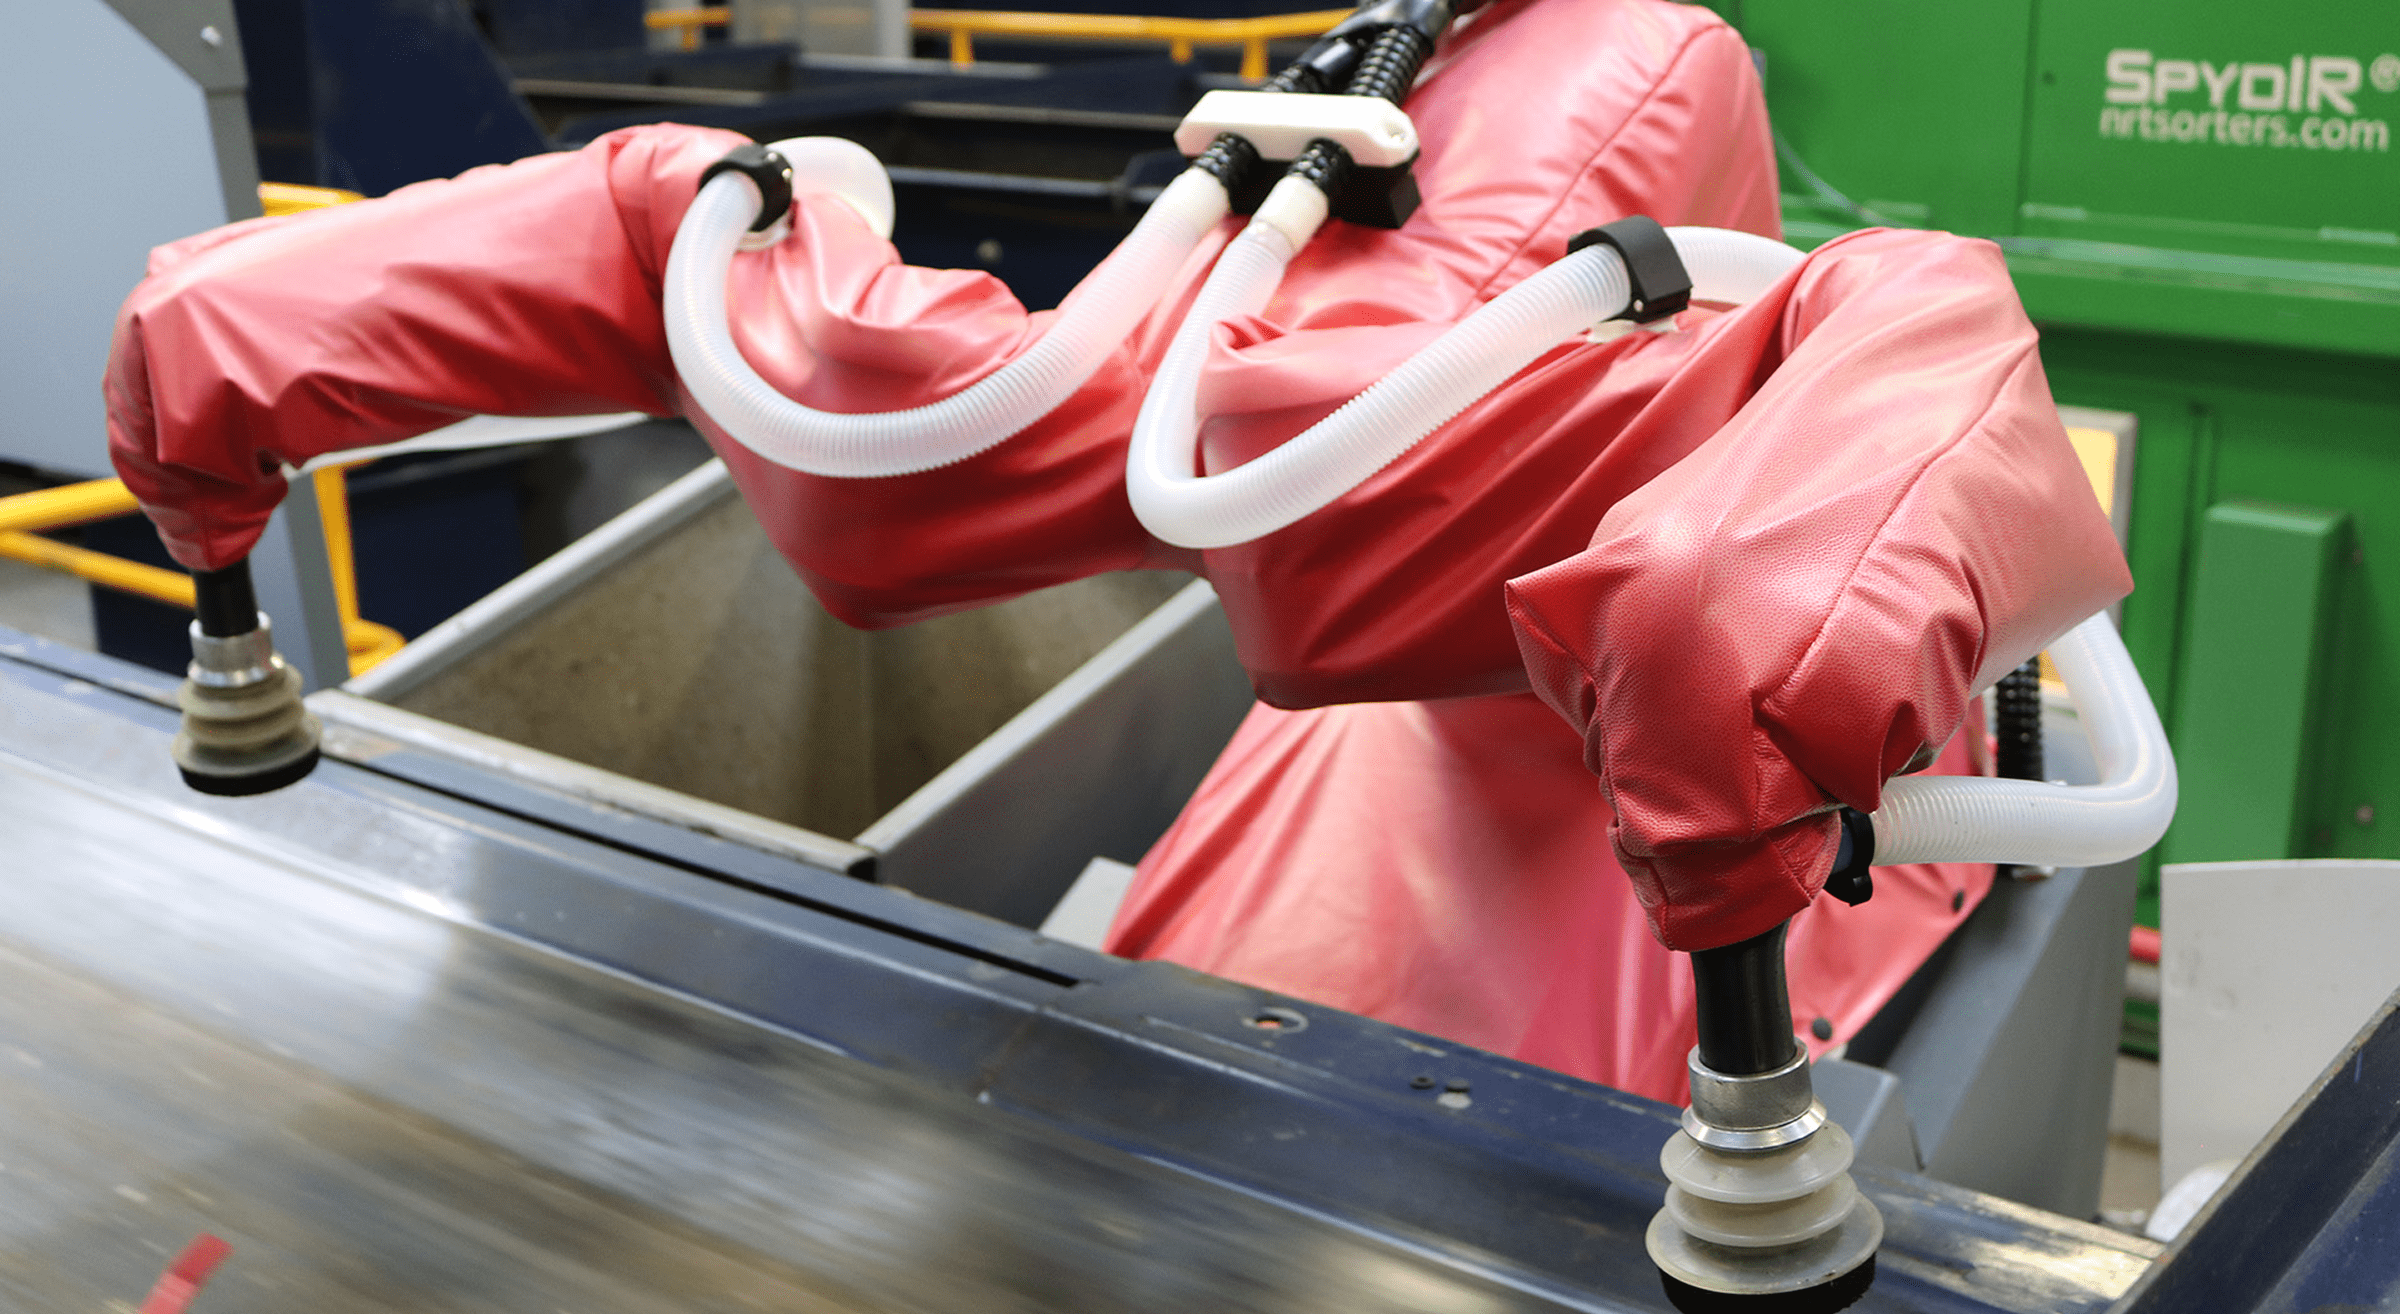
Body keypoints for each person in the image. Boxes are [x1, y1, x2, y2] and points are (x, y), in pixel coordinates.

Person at [106, 0, 2124, 1103]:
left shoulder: (1642, 83)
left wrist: (1890, 408)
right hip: (1467, 765)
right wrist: (662, 237)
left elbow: (1320, 496)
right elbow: (1004, 455)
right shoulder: (1447, 82)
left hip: (1673, 844)